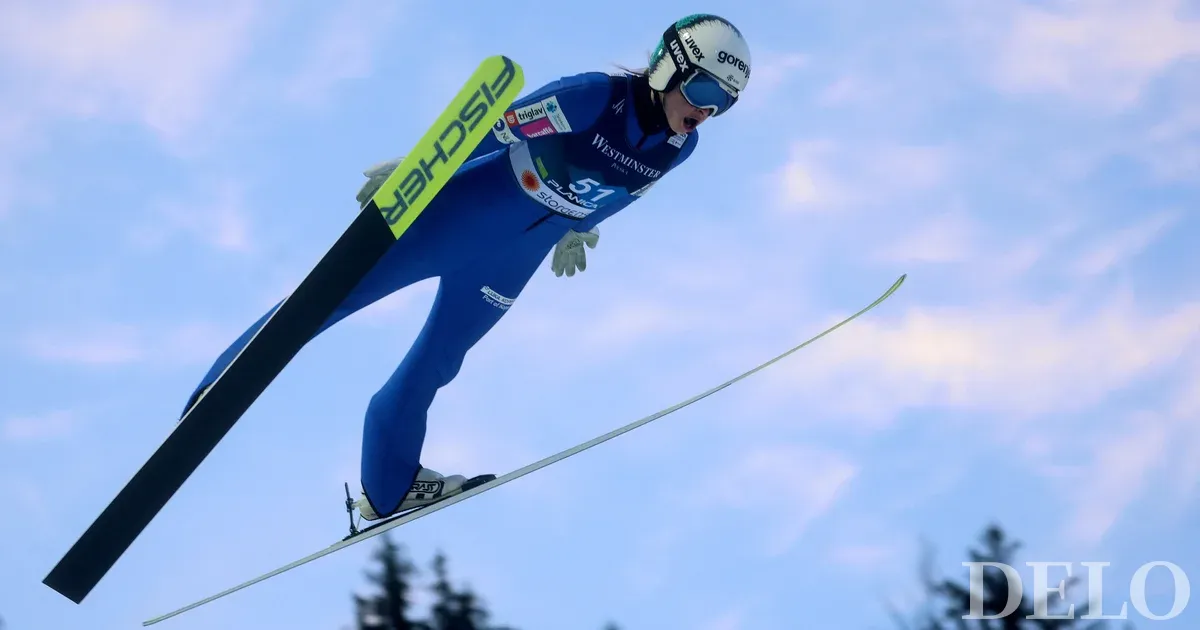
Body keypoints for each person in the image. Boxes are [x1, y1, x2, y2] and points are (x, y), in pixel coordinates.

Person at [181, 13, 752, 521]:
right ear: (667, 68)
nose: (706, 110)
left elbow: (624, 191)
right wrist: (420, 171)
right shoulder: (593, 97)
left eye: (723, 103)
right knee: (331, 297)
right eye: (703, 89)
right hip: (465, 213)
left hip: (513, 258)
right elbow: (493, 129)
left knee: (437, 361)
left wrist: (581, 226)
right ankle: (220, 386)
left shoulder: (680, 149)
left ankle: (390, 487)